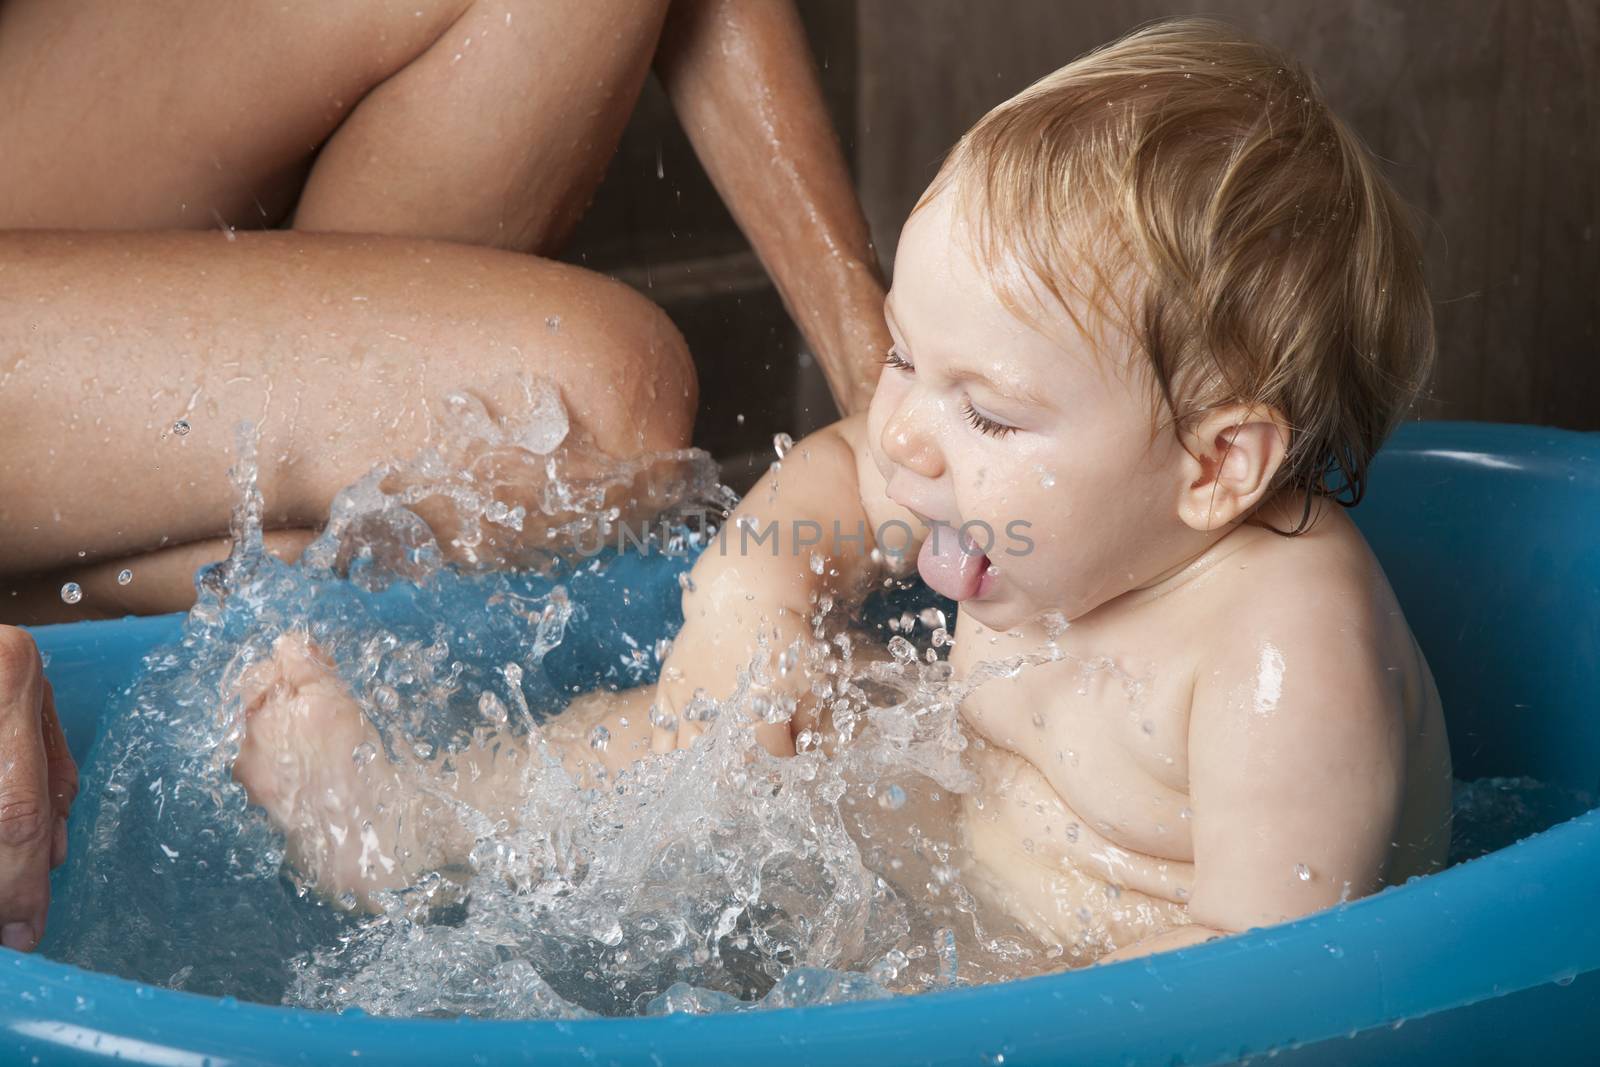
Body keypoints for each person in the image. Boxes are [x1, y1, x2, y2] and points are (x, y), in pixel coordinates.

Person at [235, 17, 1454, 963]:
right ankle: (413, 822)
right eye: (908, 359)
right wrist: (749, 609)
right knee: (712, 718)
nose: (910, 435)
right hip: (947, 852)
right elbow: (832, 478)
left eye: (986, 407)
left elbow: (1279, 984)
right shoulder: (1009, 483)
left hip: (1076, 985)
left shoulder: (1283, 649)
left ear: (1211, 464)